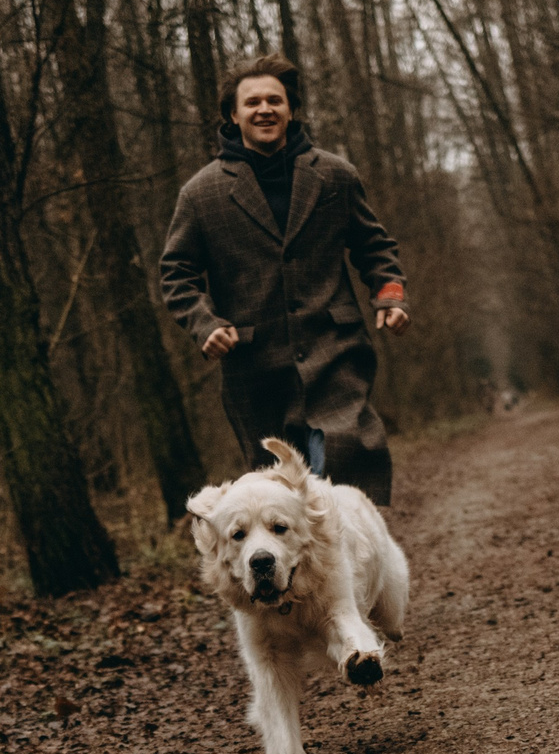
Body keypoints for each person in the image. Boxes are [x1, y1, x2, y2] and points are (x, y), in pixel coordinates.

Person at [160, 56, 411, 505]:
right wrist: (206, 324)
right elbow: (177, 274)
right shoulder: (202, 193)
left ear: (291, 109)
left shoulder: (335, 175)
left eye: (275, 100)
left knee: (340, 478)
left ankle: (351, 573)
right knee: (281, 503)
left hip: (335, 355)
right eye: (252, 101)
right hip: (256, 374)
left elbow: (375, 248)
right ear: (232, 115)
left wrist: (390, 295)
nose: (264, 109)